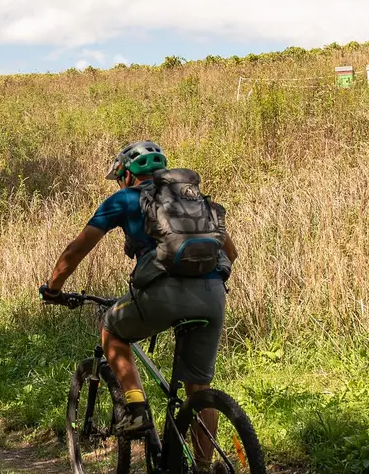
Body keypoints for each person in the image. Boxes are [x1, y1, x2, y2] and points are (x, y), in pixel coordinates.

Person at [39, 140, 237, 439]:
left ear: (128, 175)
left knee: (112, 331)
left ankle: (137, 409)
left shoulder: (124, 200)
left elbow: (77, 249)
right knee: (199, 389)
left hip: (163, 292)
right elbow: (230, 253)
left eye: (120, 179)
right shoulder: (192, 200)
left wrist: (53, 289)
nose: (120, 185)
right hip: (213, 292)